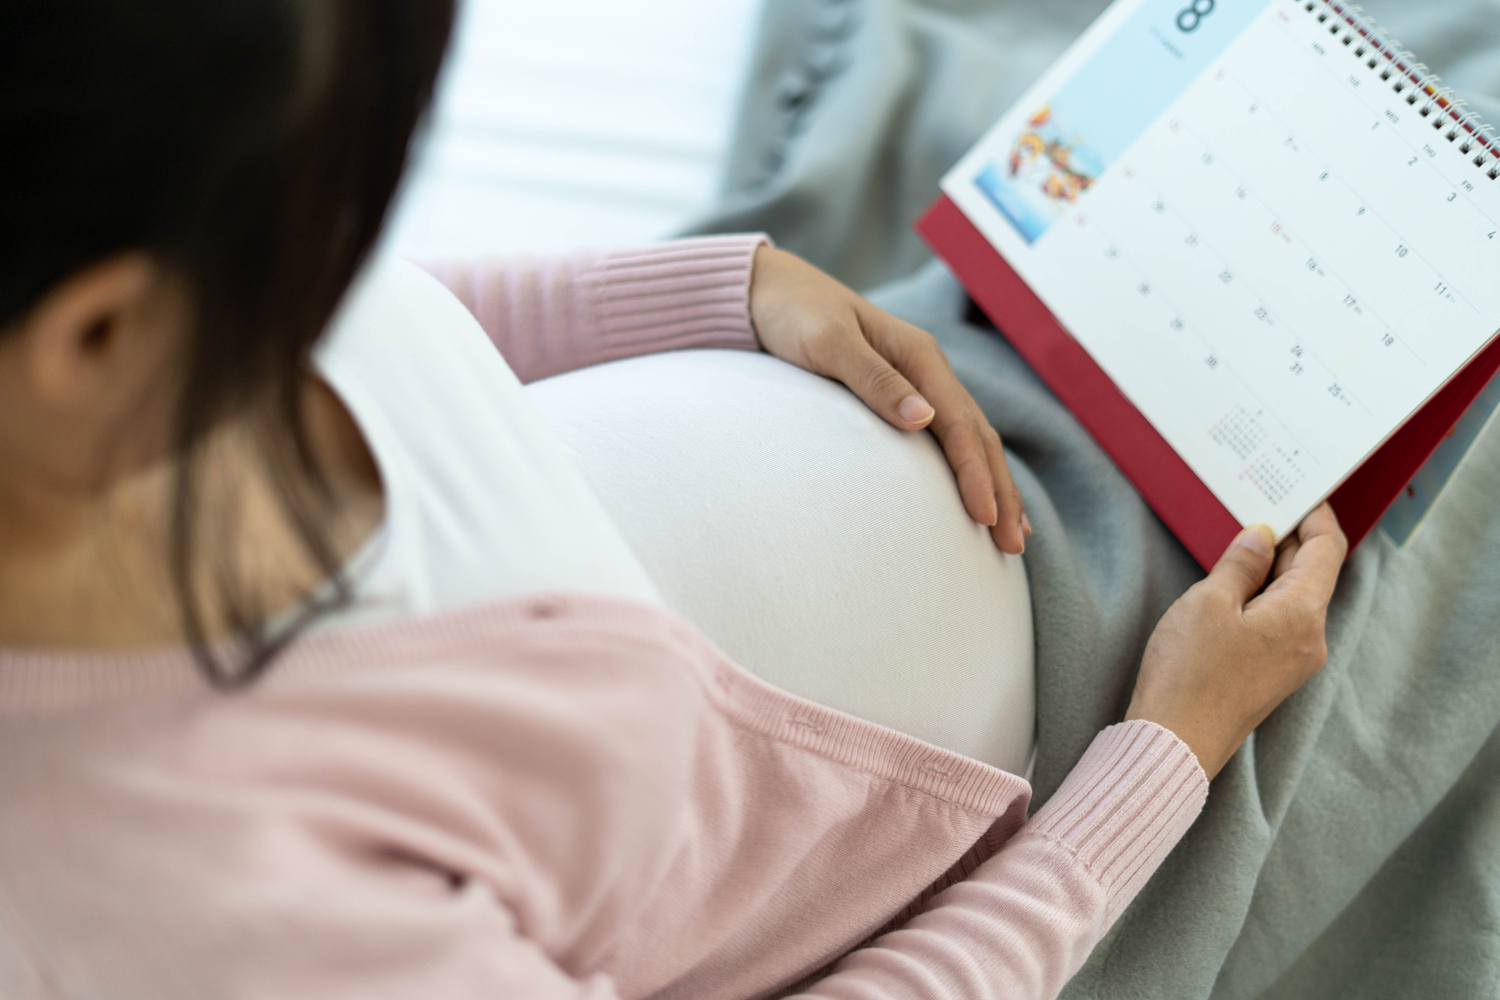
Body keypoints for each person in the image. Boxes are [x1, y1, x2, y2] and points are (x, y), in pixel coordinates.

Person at [0, 1, 1347, 997]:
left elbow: (397, 321)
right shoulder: (228, 915)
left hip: (950, 434)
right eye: (336, 221)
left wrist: (725, 287)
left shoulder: (104, 337)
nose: (350, 271)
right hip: (1079, 753)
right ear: (100, 339)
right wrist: (1160, 766)